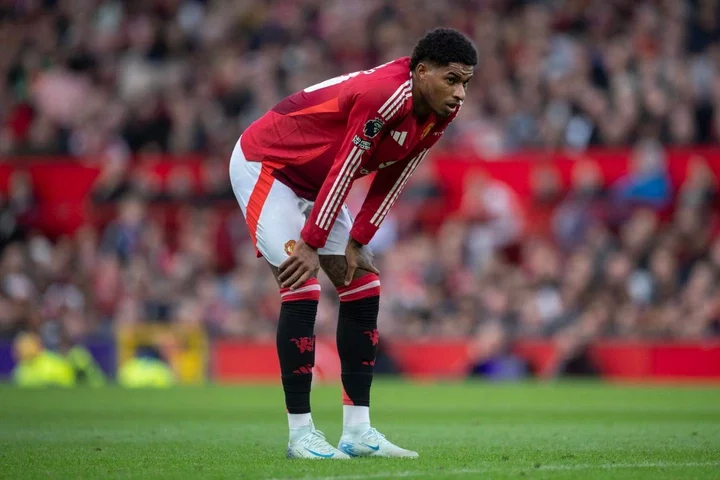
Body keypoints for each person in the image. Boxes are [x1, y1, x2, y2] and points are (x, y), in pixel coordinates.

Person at [230, 27, 477, 459]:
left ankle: (357, 431)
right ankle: (300, 434)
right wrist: (312, 242)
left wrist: (361, 237)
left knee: (363, 282)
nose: (460, 94)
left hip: (317, 182)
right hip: (268, 165)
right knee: (301, 283)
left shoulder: (440, 110)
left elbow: (398, 172)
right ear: (421, 72)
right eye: (452, 79)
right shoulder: (385, 95)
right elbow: (348, 165)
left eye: (466, 83)